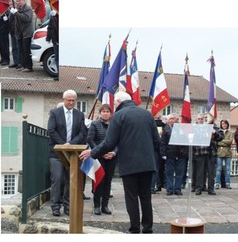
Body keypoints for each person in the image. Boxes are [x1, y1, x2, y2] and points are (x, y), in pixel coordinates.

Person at [80, 92, 160, 234]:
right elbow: (156, 141)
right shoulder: (147, 114)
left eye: (114, 103)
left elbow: (109, 143)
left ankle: (134, 230)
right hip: (147, 163)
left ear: (118, 101)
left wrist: (92, 153)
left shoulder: (118, 116)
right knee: (146, 197)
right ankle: (148, 229)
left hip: (129, 165)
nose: (113, 106)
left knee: (131, 197)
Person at [47, 89, 87, 217]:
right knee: (57, 179)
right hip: (56, 153)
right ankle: (55, 206)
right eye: (68, 100)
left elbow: (82, 133)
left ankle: (68, 206)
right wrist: (63, 144)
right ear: (63, 100)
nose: (71, 102)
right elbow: (51, 130)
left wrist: (71, 145)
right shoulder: (54, 113)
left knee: (71, 180)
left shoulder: (80, 115)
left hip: (73, 154)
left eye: (73, 100)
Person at [87, 104, 116, 215]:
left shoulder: (115, 125)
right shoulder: (94, 124)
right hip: (99, 157)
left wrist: (113, 153)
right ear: (100, 113)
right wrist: (100, 152)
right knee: (99, 181)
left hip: (111, 157)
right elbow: (90, 140)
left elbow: (119, 141)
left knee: (108, 181)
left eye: (107, 111)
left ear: (110, 113)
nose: (105, 113)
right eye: (103, 111)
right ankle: (97, 206)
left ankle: (105, 205)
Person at [193, 114, 224, 196]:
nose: (205, 119)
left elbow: (221, 137)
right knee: (200, 172)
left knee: (211, 172)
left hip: (211, 152)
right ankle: (199, 188)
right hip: (200, 152)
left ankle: (211, 189)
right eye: (204, 118)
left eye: (207, 118)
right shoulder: (196, 128)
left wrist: (214, 132)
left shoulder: (215, 127)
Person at [160, 113, 188, 196]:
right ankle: (169, 189)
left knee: (180, 172)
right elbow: (163, 143)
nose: (171, 120)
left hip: (181, 154)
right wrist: (163, 154)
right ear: (167, 120)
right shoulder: (165, 129)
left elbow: (186, 141)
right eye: (170, 119)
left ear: (177, 120)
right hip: (170, 154)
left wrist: (185, 153)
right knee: (169, 173)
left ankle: (177, 189)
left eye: (173, 118)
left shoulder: (182, 129)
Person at [10, 0, 33, 72]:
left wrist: (16, 13)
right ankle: (23, 65)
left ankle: (29, 67)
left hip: (26, 33)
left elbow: (26, 19)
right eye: (17, 1)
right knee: (21, 50)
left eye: (19, 1)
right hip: (20, 33)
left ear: (23, 0)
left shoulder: (28, 8)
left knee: (26, 51)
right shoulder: (19, 9)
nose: (18, 2)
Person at [215, 119, 234, 189]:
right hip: (219, 152)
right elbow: (217, 142)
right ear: (221, 125)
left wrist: (222, 140)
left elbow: (230, 141)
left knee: (228, 169)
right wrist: (225, 142)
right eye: (223, 124)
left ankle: (227, 183)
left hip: (228, 152)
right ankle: (217, 183)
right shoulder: (218, 132)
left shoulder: (230, 133)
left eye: (225, 124)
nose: (224, 125)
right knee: (218, 169)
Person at [46, 9, 59, 80]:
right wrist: (48, 38)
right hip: (56, 40)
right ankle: (59, 74)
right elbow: (49, 28)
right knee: (57, 58)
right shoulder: (53, 17)